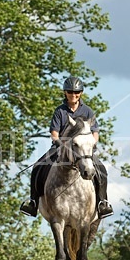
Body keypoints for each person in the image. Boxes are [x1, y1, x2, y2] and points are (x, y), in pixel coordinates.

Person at [19, 76, 114, 219]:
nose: (73, 95)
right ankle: (33, 202)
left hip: (83, 150)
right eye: (70, 92)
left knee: (101, 169)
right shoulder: (60, 111)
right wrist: (60, 144)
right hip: (60, 148)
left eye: (76, 92)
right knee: (38, 166)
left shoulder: (87, 111)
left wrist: (90, 144)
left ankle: (102, 202)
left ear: (81, 93)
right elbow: (54, 133)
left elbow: (95, 133)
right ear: (65, 93)